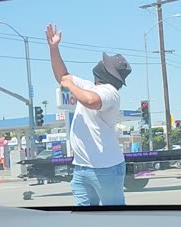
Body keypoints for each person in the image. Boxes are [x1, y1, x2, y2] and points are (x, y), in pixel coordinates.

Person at [45, 24, 132, 206]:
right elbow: (63, 76)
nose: (100, 64)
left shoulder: (110, 92)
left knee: (115, 219)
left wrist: (70, 86)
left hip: (106, 168)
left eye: (105, 64)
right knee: (84, 220)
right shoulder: (88, 86)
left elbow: (91, 101)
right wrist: (54, 48)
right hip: (81, 167)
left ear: (109, 73)